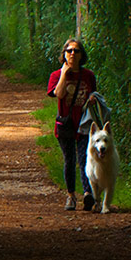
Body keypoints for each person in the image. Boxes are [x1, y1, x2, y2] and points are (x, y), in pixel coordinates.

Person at [47, 37, 96, 211]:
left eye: (76, 51)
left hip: (84, 124)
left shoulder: (89, 75)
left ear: (82, 55)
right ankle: (71, 196)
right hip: (65, 125)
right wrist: (63, 74)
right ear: (64, 54)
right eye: (69, 51)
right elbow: (59, 94)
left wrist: (92, 98)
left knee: (84, 159)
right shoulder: (55, 75)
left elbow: (94, 94)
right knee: (70, 160)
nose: (73, 54)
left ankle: (88, 194)